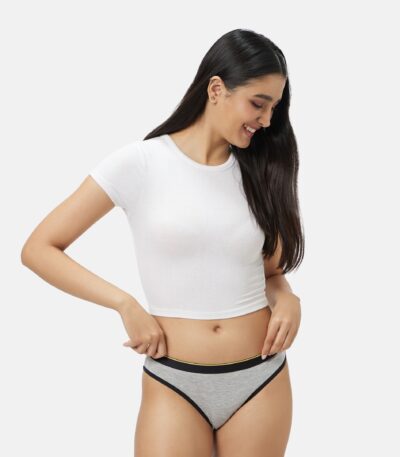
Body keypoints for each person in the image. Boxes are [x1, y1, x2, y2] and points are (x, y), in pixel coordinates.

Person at [21, 28, 303, 457]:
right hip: (174, 379)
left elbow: (270, 271)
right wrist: (125, 304)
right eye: (258, 104)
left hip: (260, 378)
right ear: (216, 89)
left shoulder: (261, 170)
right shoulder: (141, 163)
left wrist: (288, 299)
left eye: (274, 108)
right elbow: (39, 248)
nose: (266, 121)